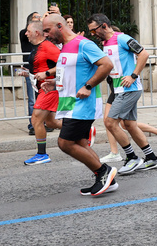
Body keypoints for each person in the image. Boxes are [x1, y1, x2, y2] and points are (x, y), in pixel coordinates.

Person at [41, 14, 116, 197]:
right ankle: (106, 180)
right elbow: (71, 73)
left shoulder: (84, 44)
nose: (46, 35)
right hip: (69, 104)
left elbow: (106, 65)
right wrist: (54, 84)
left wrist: (88, 86)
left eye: (47, 30)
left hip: (82, 104)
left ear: (60, 26)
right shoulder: (65, 47)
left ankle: (104, 172)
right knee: (81, 143)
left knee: (65, 143)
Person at [87, 14, 157, 175]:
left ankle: (132, 158)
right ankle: (151, 157)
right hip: (120, 89)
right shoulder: (105, 43)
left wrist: (133, 75)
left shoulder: (122, 38)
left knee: (110, 122)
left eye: (94, 31)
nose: (93, 34)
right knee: (129, 125)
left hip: (129, 89)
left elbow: (144, 54)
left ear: (104, 26)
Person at [21, 19, 62, 164]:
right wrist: (28, 73)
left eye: (28, 31)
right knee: (51, 122)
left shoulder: (48, 47)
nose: (26, 34)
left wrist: (47, 74)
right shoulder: (36, 47)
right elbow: (39, 67)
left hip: (49, 88)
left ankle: (42, 154)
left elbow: (65, 63)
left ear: (37, 33)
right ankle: (85, 131)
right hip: (41, 88)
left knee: (36, 119)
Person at [19, 11, 42, 135]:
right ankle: (32, 124)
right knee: (32, 99)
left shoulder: (42, 35)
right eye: (36, 18)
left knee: (43, 97)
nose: (39, 19)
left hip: (42, 70)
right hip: (30, 70)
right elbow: (25, 34)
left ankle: (44, 122)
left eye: (40, 18)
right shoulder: (25, 33)